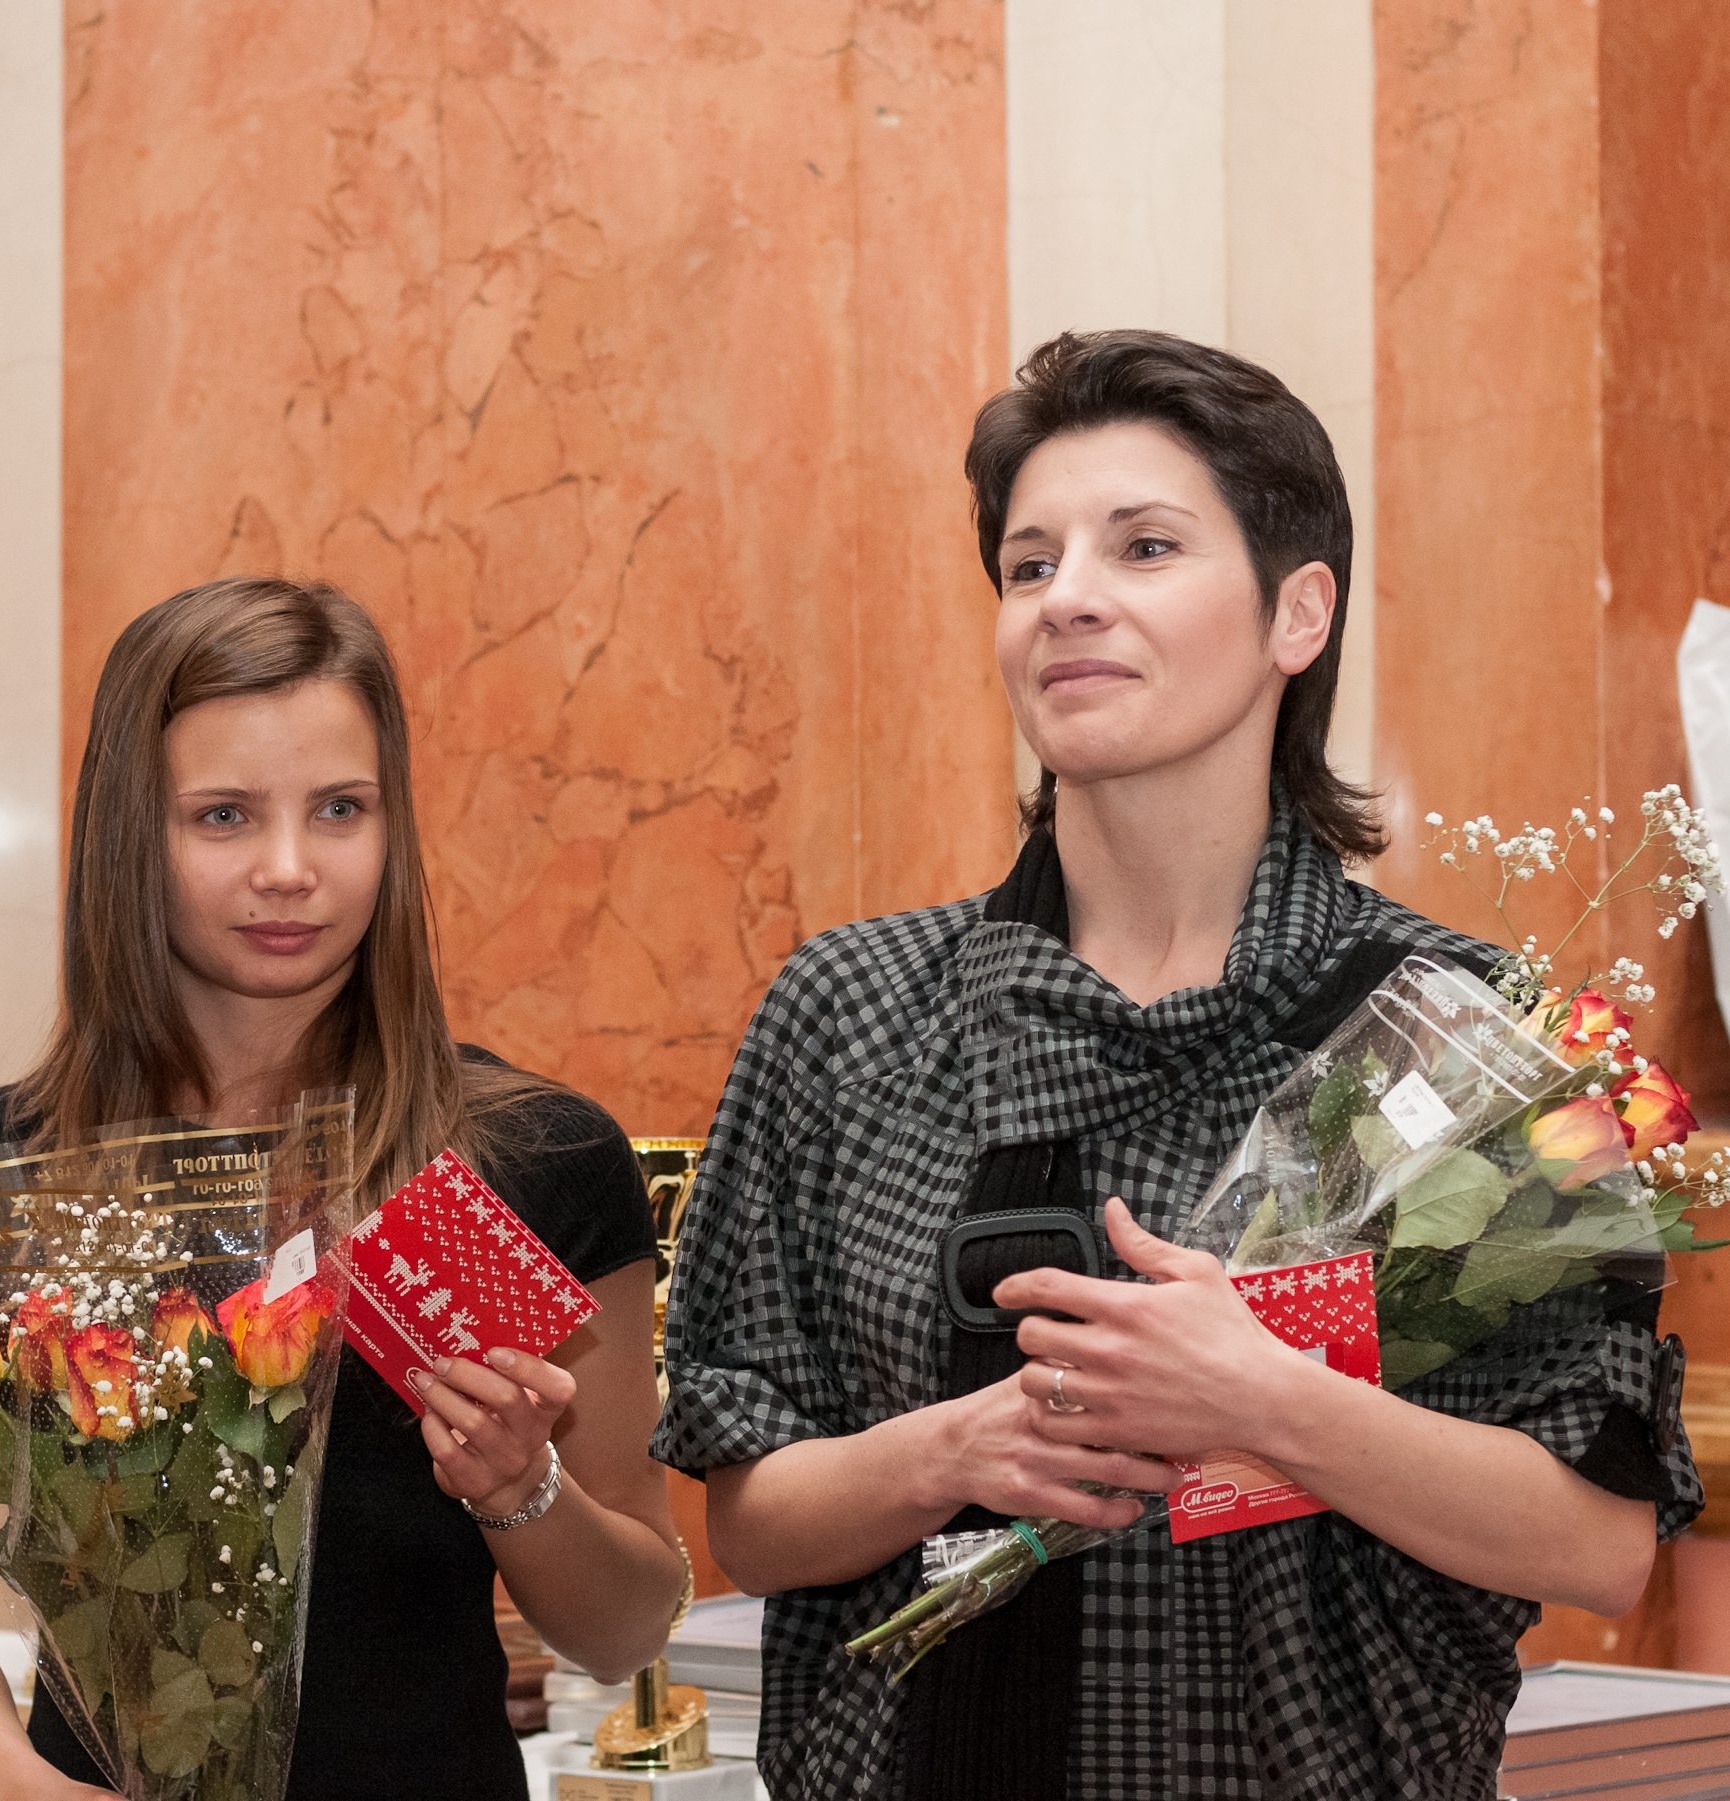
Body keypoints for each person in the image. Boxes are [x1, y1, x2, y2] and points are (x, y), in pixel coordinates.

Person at [655, 330, 1702, 1800]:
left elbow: (1598, 1541)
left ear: (1298, 613)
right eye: (1029, 565)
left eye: (1143, 547)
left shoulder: (1466, 1034)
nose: (1068, 597)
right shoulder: (850, 1013)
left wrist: (1261, 1399)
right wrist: (962, 1447)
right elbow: (750, 1518)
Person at [0, 578, 685, 1801]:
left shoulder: (519, 1164)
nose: (290, 868)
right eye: (224, 816)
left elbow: (627, 1628)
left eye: (340, 808)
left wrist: (526, 1490)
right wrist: (16, 1787)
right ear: (128, 835)